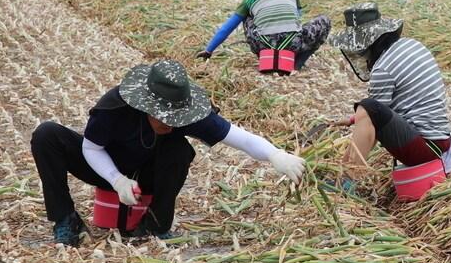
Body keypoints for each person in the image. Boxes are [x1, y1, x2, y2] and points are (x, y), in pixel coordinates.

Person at [30, 60, 307, 246]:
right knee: (46, 135)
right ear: (145, 105)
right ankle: (66, 219)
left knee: (179, 148)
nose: (170, 122)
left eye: (176, 118)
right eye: (163, 117)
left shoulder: (188, 112)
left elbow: (238, 137)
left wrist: (275, 155)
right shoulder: (114, 107)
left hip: (148, 173)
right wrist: (115, 179)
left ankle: (156, 224)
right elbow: (91, 147)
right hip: (106, 168)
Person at [328, 4, 451, 188]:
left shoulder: (383, 68)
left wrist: (346, 160)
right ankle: (344, 175)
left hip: (425, 149)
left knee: (368, 106)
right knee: (369, 109)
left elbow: (373, 118)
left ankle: (345, 181)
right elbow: (385, 114)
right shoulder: (411, 45)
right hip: (440, 141)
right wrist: (353, 119)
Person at [197, 0, 331, 66]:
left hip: (263, 45)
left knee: (248, 16)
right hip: (293, 43)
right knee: (325, 20)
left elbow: (227, 28)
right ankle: (297, 62)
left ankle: (267, 59)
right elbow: (297, 17)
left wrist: (209, 50)